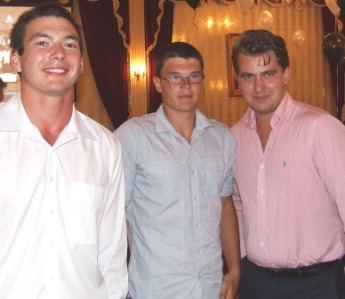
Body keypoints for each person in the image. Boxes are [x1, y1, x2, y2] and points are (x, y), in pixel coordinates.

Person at [0, 3, 128, 298]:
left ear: (81, 63)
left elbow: (112, 253)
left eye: (69, 45)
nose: (58, 52)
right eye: (42, 42)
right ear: (15, 59)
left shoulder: (105, 147)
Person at [115, 42, 240, 299]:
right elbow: (111, 214)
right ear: (158, 83)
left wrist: (235, 269)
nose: (186, 85)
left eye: (194, 77)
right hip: (155, 287)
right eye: (175, 77)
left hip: (210, 285)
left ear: (202, 81)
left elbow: (225, 204)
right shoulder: (132, 137)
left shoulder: (222, 137)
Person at [230, 29, 345, 299]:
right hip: (255, 282)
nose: (258, 87)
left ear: (287, 74)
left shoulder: (319, 127)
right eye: (249, 76)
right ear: (238, 79)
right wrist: (242, 261)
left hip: (317, 285)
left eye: (268, 74)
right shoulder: (234, 137)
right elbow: (237, 205)